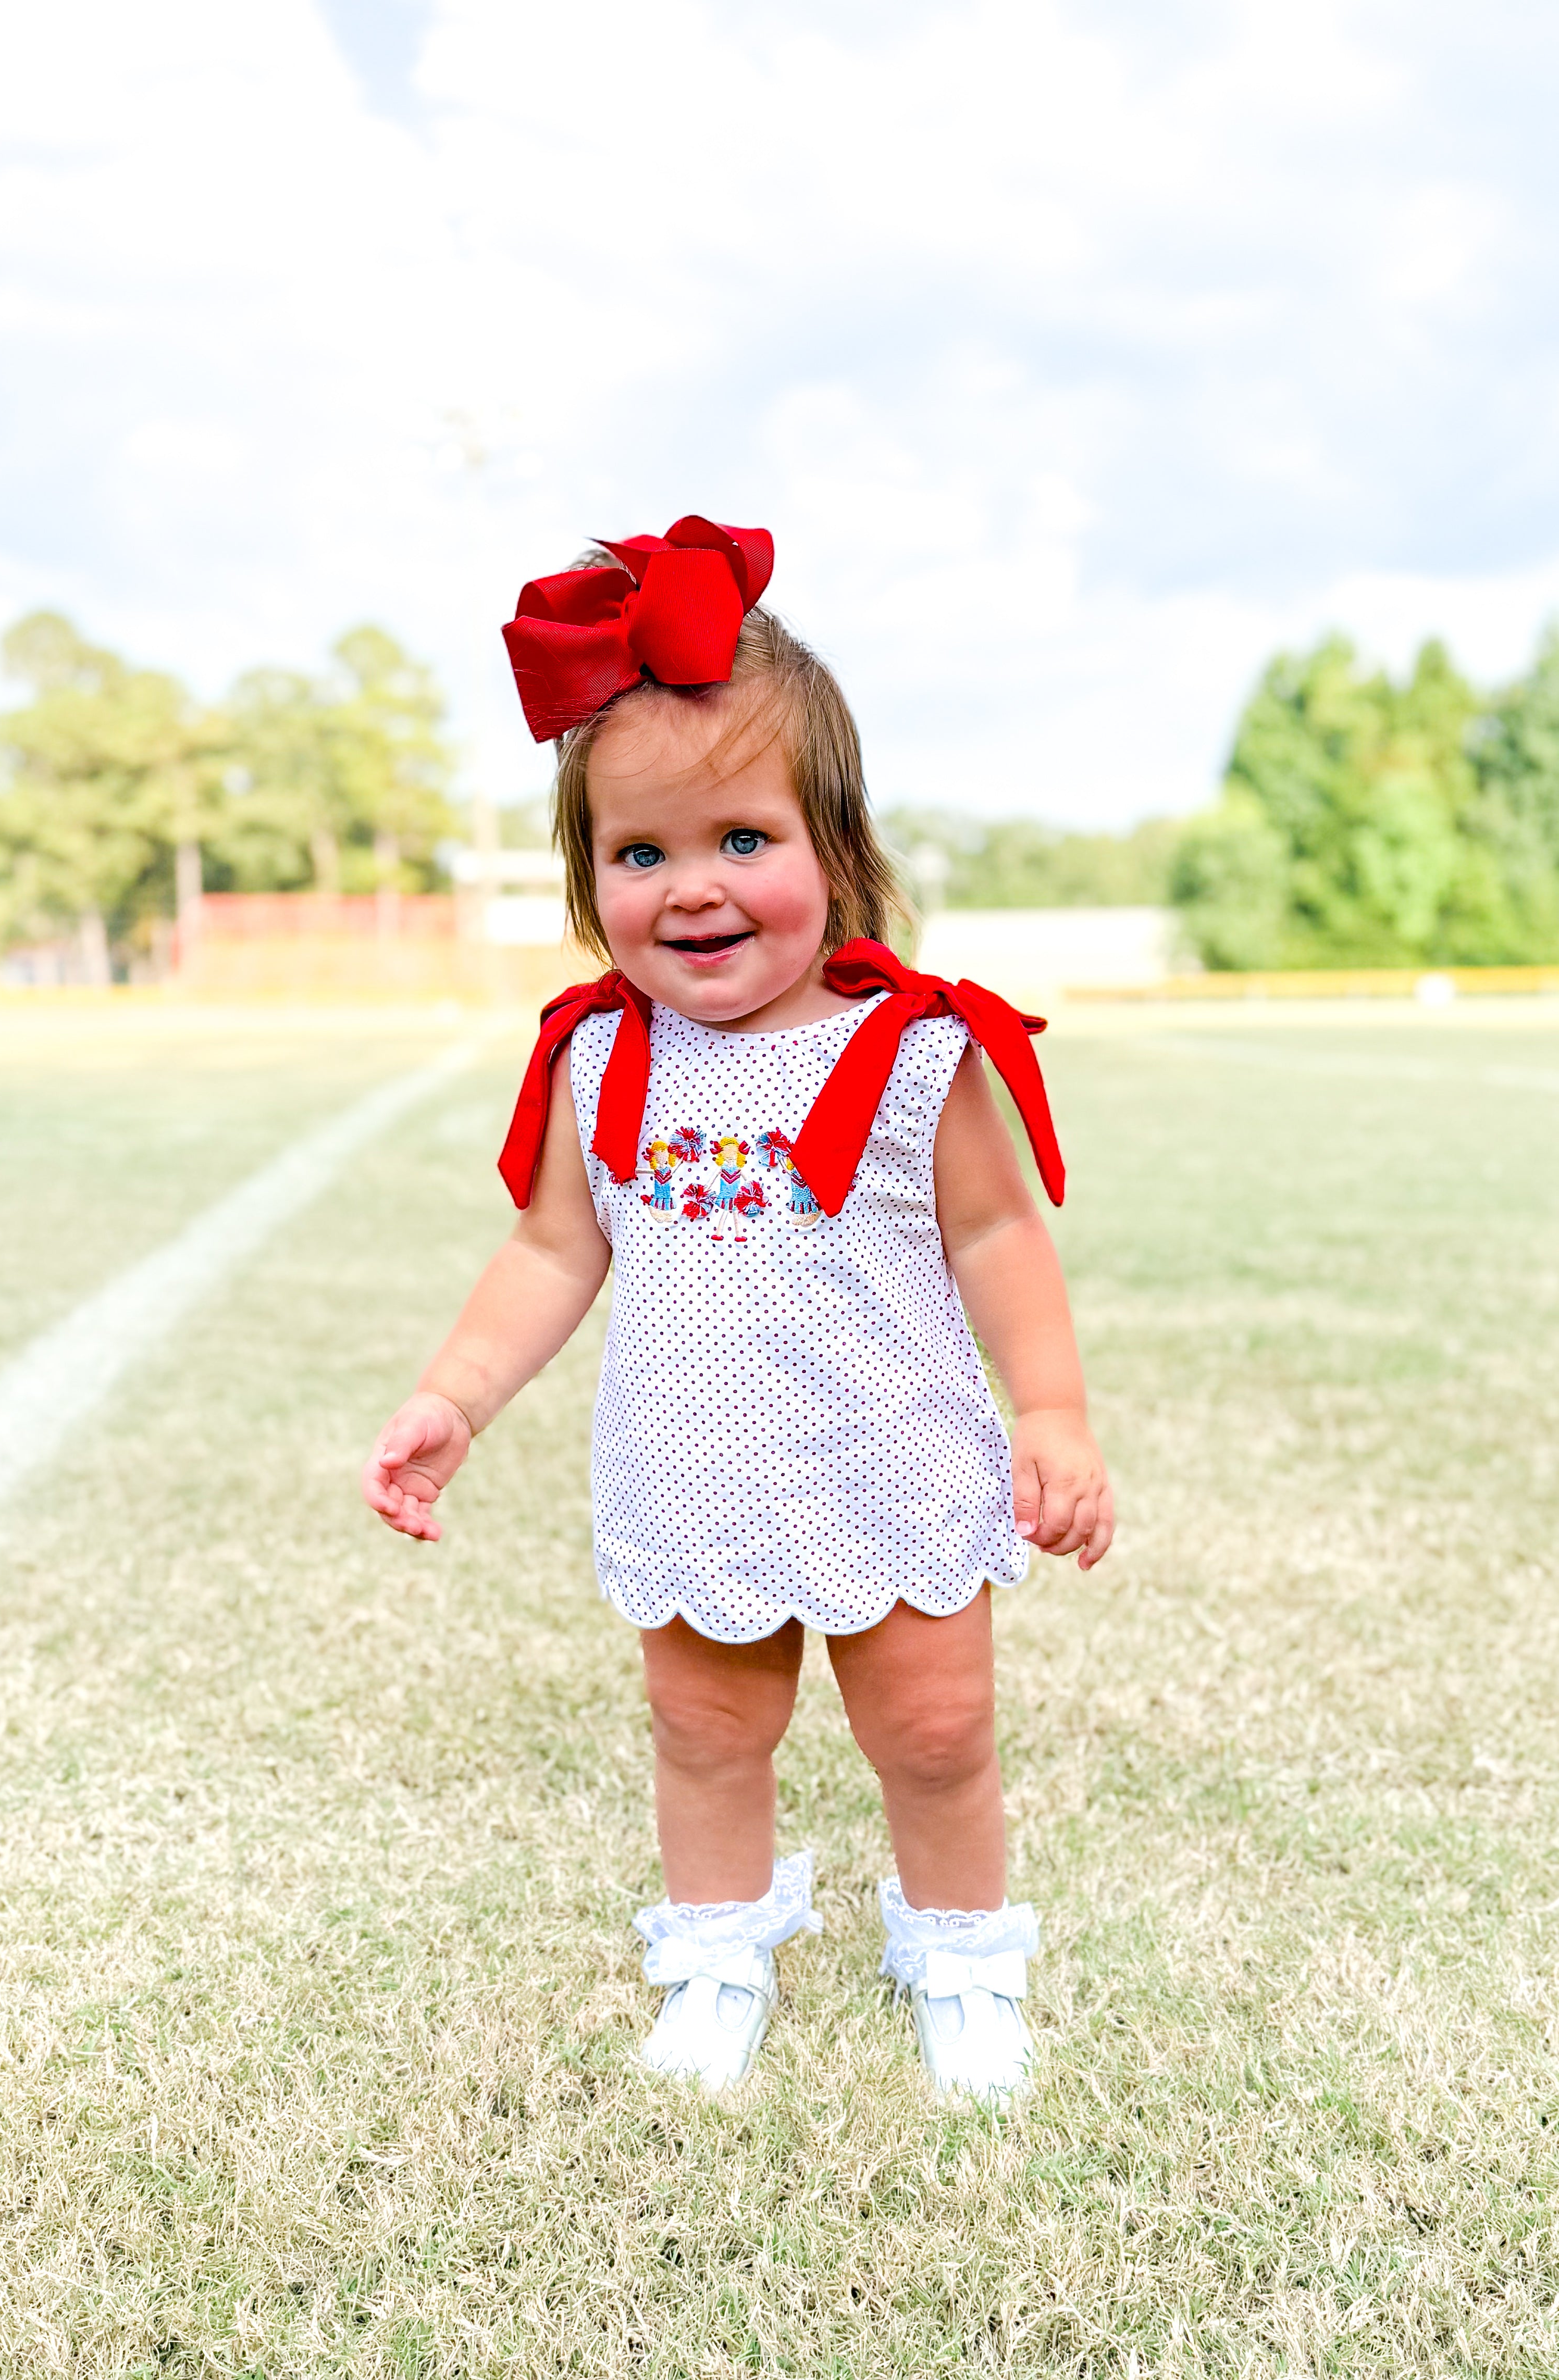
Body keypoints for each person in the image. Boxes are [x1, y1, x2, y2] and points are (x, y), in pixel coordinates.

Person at [363, 516, 1113, 2102]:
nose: (692, 890)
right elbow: (553, 1255)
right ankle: (718, 1954)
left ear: (834, 846)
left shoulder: (913, 1050)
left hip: (890, 1464)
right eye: (640, 856)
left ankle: (961, 1963)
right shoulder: (597, 1058)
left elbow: (994, 1231)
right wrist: (455, 1394)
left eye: (741, 842)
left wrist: (1052, 1411)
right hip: (693, 1472)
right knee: (704, 1736)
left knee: (935, 1734)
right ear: (592, 882)